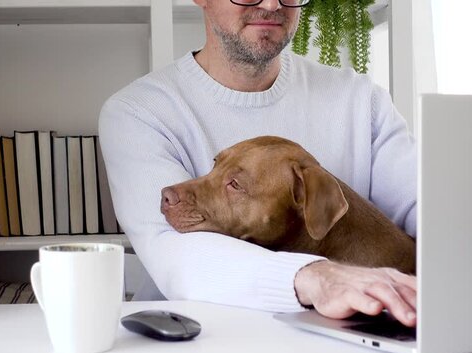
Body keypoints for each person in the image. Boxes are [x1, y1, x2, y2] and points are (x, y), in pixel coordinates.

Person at [99, 0, 418, 327]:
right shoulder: (139, 111)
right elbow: (174, 256)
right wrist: (314, 278)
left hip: (347, 338)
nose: (271, 4)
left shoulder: (362, 100)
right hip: (198, 339)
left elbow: (437, 219)